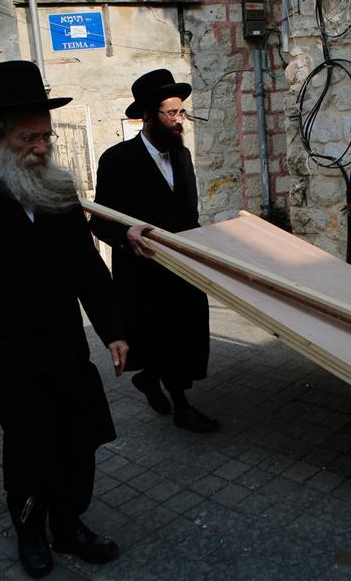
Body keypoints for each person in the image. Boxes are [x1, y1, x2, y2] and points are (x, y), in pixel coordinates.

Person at [0, 60, 127, 578]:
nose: (40, 148)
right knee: (32, 446)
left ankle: (69, 524)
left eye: (45, 137)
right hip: (8, 356)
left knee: (79, 436)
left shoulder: (57, 191)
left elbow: (88, 270)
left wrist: (114, 330)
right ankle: (30, 533)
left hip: (65, 346)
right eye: (27, 138)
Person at [90, 69, 218, 433]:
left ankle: (149, 380)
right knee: (163, 338)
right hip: (143, 273)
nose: (180, 121)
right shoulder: (117, 160)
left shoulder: (182, 156)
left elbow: (187, 213)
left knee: (186, 337)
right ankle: (182, 408)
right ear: (146, 115)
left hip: (184, 267)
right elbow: (98, 221)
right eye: (171, 113)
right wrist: (125, 235)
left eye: (182, 112)